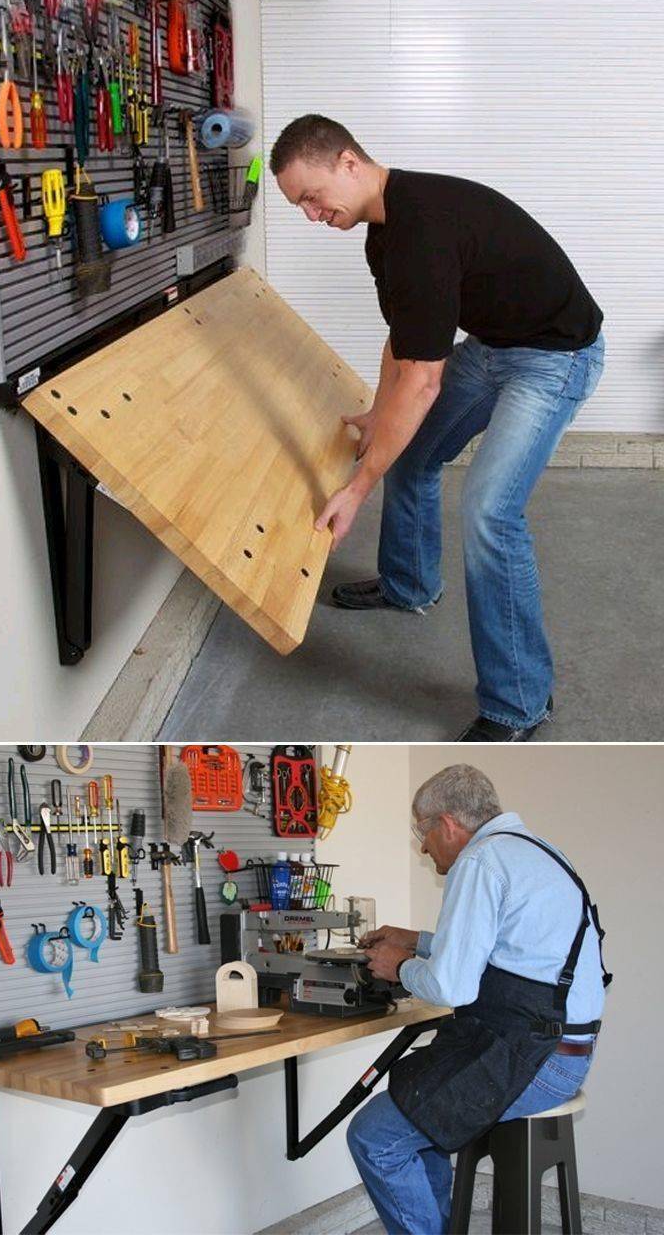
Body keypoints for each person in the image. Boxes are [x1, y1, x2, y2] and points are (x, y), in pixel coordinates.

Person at [270, 116, 605, 741]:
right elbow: (404, 341)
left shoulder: (422, 227)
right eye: (299, 207)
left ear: (348, 162)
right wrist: (378, 411)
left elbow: (424, 380)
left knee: (489, 512)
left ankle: (520, 703)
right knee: (406, 449)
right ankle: (409, 583)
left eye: (312, 197)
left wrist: (357, 488)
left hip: (556, 355)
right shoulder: (382, 232)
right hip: (495, 344)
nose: (311, 215)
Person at [347, 764, 611, 1235]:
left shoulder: (480, 861)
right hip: (564, 1052)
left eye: (422, 834)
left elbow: (452, 987)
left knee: (375, 1138)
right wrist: (417, 940)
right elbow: (505, 952)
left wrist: (398, 967)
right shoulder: (535, 851)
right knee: (416, 1108)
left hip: (534, 1059)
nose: (424, 847)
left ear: (447, 824)